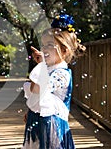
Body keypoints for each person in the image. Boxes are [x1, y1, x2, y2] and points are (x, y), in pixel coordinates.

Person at [22, 14, 86, 149]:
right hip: (38, 121)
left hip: (52, 125)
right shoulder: (48, 69)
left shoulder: (61, 74)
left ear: (64, 50)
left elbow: (38, 88)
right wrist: (31, 110)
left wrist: (40, 65)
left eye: (50, 45)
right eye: (43, 45)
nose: (44, 49)